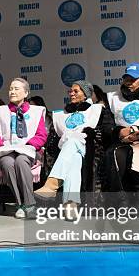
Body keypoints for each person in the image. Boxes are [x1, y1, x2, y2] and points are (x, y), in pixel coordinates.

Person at [35, 80, 114, 218]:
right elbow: (54, 136)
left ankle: (52, 184)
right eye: (70, 91)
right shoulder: (63, 114)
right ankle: (71, 205)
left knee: (72, 143)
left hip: (90, 148)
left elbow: (106, 131)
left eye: (76, 91)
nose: (71, 93)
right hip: (70, 149)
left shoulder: (97, 110)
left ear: (86, 94)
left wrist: (91, 134)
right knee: (74, 160)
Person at [103, 63, 139, 202]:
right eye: (126, 79)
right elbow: (106, 126)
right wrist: (120, 132)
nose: (128, 83)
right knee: (116, 154)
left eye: (133, 79)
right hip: (120, 141)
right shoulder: (113, 98)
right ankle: (119, 199)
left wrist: (138, 135)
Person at [0, 78, 47, 219]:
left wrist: (29, 145)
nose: (12, 91)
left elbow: (41, 135)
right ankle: (20, 204)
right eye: (10, 89)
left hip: (27, 150)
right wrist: (0, 146)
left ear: (26, 92)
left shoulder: (36, 111)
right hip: (7, 150)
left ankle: (29, 204)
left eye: (16, 89)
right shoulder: (1, 112)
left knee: (21, 161)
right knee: (7, 163)